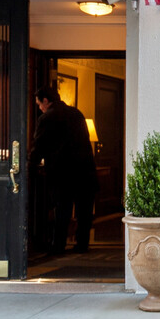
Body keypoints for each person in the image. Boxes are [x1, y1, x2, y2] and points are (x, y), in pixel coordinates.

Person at [29, 84, 99, 255]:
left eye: (39, 104)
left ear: (46, 101)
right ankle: (82, 244)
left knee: (62, 210)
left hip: (62, 172)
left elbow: (39, 146)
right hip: (85, 169)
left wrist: (30, 166)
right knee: (84, 210)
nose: (40, 108)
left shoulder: (47, 118)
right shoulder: (77, 113)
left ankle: (58, 246)